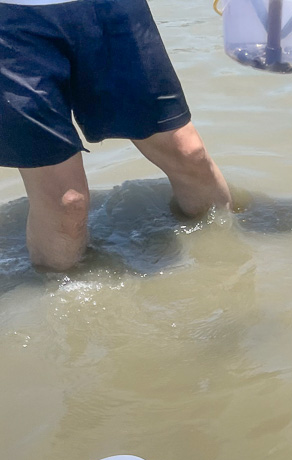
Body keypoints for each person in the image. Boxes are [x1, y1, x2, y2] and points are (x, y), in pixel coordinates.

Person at [0, 0, 232, 272]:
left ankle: (228, 264)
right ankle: (59, 298)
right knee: (66, 203)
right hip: (11, 21)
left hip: (109, 7)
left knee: (189, 155)